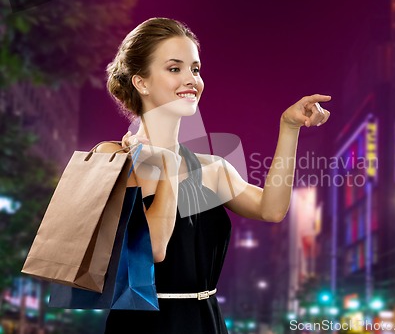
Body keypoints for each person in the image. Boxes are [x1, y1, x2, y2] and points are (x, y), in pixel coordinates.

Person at [97, 17, 330, 334]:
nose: (191, 79)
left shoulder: (211, 168)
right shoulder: (113, 158)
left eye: (195, 69)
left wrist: (289, 128)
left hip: (207, 321)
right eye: (174, 68)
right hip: (142, 324)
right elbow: (154, 248)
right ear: (142, 82)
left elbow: (272, 209)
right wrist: (163, 158)